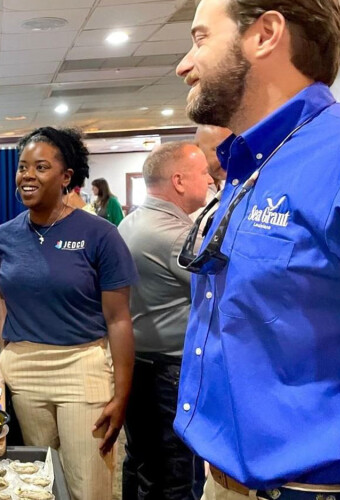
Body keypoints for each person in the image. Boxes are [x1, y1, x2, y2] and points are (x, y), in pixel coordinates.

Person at [175, 0, 340, 497]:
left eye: (201, 38)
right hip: (223, 481)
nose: (184, 64)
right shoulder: (251, 164)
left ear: (266, 34)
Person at [0, 127, 138, 500]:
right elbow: (3, 294)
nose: (28, 175)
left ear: (66, 177)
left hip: (82, 368)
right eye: (23, 166)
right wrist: (5, 348)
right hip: (23, 371)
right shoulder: (5, 236)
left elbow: (119, 319)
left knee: (89, 486)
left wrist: (122, 395)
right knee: (39, 482)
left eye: (41, 167)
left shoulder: (100, 235)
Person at [117, 142, 212, 500]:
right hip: (169, 372)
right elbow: (225, 293)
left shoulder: (133, 221)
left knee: (142, 463)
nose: (210, 178)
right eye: (203, 172)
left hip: (142, 362)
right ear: (179, 181)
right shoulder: (175, 236)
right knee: (176, 473)